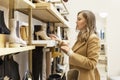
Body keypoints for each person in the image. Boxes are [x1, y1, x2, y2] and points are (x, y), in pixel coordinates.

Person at [50, 10, 101, 80]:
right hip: (77, 75)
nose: (76, 21)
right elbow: (75, 53)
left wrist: (70, 53)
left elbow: (92, 63)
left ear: (87, 22)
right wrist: (60, 42)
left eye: (79, 19)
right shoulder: (82, 36)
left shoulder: (93, 38)